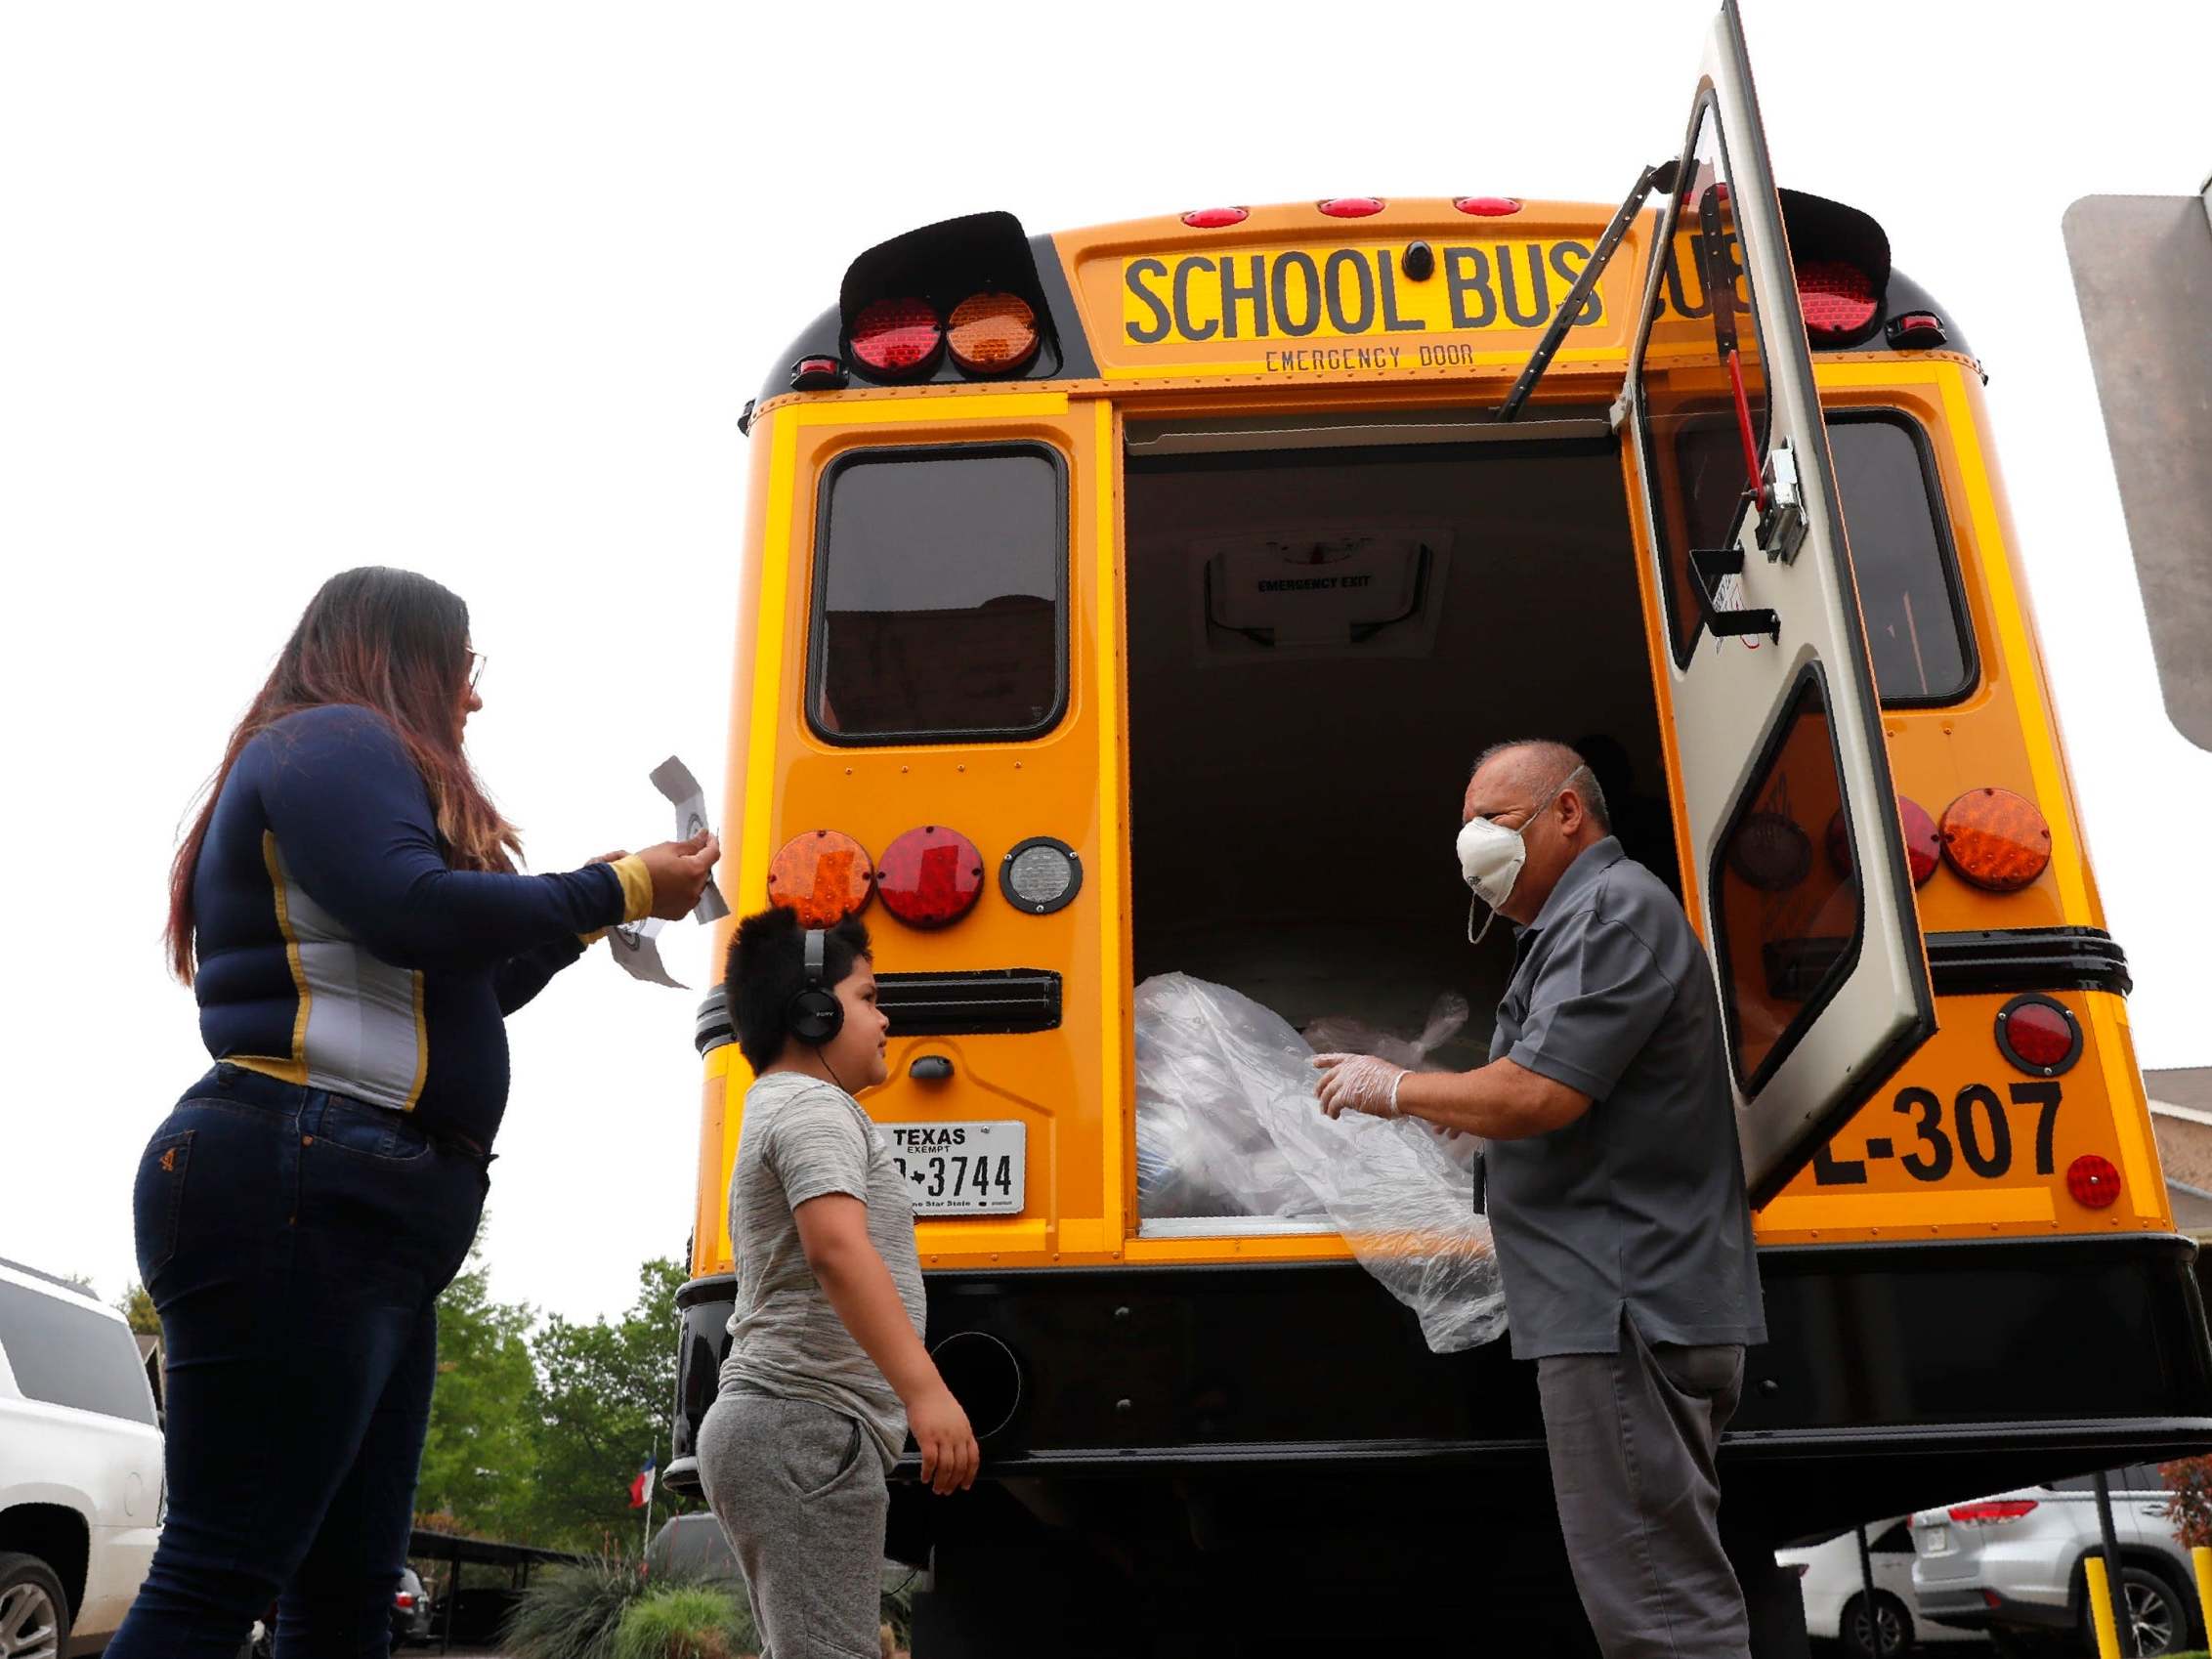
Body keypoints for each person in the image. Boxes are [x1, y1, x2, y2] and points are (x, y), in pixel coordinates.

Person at [113, 567, 721, 1659]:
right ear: (405, 657)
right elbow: (413, 909)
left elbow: (460, 983)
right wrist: (621, 887)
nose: (472, 700)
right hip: (304, 1178)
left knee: (347, 1589)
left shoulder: (328, 757)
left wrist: (589, 912)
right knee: (220, 1571)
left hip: (350, 1199)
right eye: (465, 669)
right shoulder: (332, 738)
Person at [1312, 739, 1768, 1659]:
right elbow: (1559, 1097)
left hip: (1623, 1303)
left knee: (1660, 1611)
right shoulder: (1580, 923)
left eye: (1496, 818)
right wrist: (1470, 1111)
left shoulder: (1612, 911)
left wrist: (1393, 1087)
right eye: (1467, 824)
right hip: (1626, 1301)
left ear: (1569, 811)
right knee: (1656, 1585)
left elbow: (1541, 1092)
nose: (1475, 840)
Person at [699, 906, 981, 1659]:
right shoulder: (815, 1108)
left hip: (794, 1429)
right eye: (868, 998)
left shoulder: (788, 1106)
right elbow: (836, 1249)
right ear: (813, 1013)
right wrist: (926, 1393)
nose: (885, 1020)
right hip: (806, 1429)